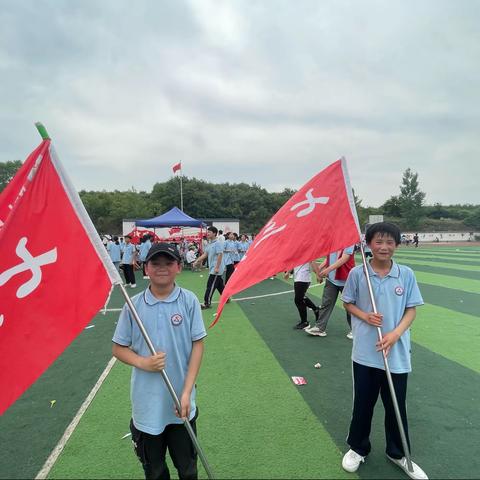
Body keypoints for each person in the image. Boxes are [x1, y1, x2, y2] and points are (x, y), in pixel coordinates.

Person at [112, 243, 207, 480]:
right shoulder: (133, 305)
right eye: (155, 263)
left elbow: (198, 345)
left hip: (181, 403)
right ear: (146, 268)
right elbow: (118, 348)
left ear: (178, 267)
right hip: (147, 407)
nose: (162, 268)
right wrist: (144, 363)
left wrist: (187, 393)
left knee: (187, 469)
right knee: (154, 471)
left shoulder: (189, 301)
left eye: (168, 263)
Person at [340, 222, 427, 479]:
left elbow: (411, 309)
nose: (384, 247)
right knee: (363, 404)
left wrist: (395, 333)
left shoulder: (406, 274)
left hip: (396, 354)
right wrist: (365, 316)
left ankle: (398, 452)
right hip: (366, 353)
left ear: (397, 245)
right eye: (378, 242)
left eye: (390, 242)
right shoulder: (359, 274)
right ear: (368, 244)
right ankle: (358, 448)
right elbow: (348, 303)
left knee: (396, 406)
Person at [305, 245, 355, 339]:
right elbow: (329, 258)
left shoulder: (349, 240)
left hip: (346, 279)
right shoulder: (333, 240)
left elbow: (345, 258)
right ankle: (320, 328)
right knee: (326, 303)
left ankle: (355, 330)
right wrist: (319, 269)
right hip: (331, 280)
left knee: (350, 306)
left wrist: (327, 269)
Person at [193, 226, 225, 309]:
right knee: (219, 284)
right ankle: (226, 297)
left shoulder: (218, 243)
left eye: (209, 232)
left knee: (210, 285)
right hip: (213, 268)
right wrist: (197, 261)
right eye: (208, 232)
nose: (208, 233)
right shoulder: (210, 243)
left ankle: (207, 303)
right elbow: (205, 254)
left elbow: (220, 255)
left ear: (214, 233)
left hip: (216, 269)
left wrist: (217, 267)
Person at [285, 262, 321, 330]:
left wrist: (318, 275)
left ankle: (304, 322)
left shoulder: (307, 252)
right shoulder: (297, 252)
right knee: (301, 297)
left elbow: (313, 262)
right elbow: (293, 263)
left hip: (304, 278)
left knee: (298, 300)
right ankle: (316, 309)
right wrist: (288, 272)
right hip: (298, 278)